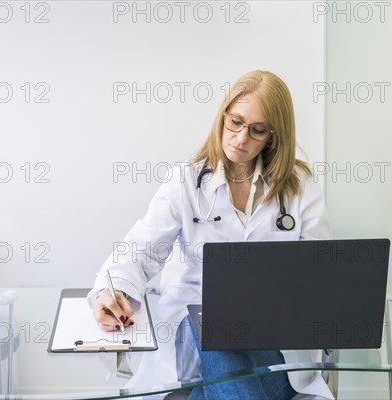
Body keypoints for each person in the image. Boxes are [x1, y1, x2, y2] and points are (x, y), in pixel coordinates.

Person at [88, 70, 332, 399]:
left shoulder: (300, 188)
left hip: (271, 331)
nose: (241, 139)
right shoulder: (186, 181)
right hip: (197, 321)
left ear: (273, 137)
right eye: (235, 122)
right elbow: (139, 250)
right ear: (222, 117)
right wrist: (110, 290)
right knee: (214, 330)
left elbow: (321, 271)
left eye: (257, 130)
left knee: (232, 363)